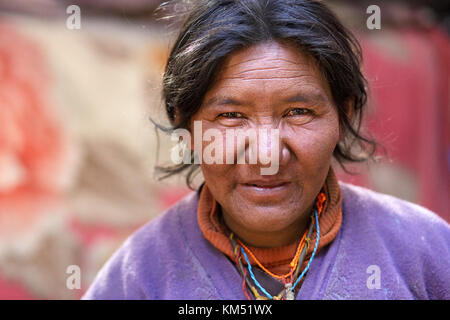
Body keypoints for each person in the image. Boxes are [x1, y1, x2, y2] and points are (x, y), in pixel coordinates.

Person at [82, 0, 450, 300]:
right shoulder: (141, 275)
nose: (266, 153)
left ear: (344, 115)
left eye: (298, 112)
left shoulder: (423, 251)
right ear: (187, 124)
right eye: (231, 116)